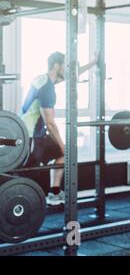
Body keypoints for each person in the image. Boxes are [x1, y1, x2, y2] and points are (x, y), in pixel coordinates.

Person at [21, 51, 98, 205]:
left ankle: (54, 192)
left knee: (63, 154)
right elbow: (50, 122)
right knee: (28, 174)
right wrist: (62, 144)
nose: (69, 69)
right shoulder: (47, 88)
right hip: (31, 136)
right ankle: (21, 202)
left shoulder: (42, 79)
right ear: (57, 66)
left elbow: (72, 74)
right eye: (66, 65)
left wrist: (93, 63)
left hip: (31, 133)